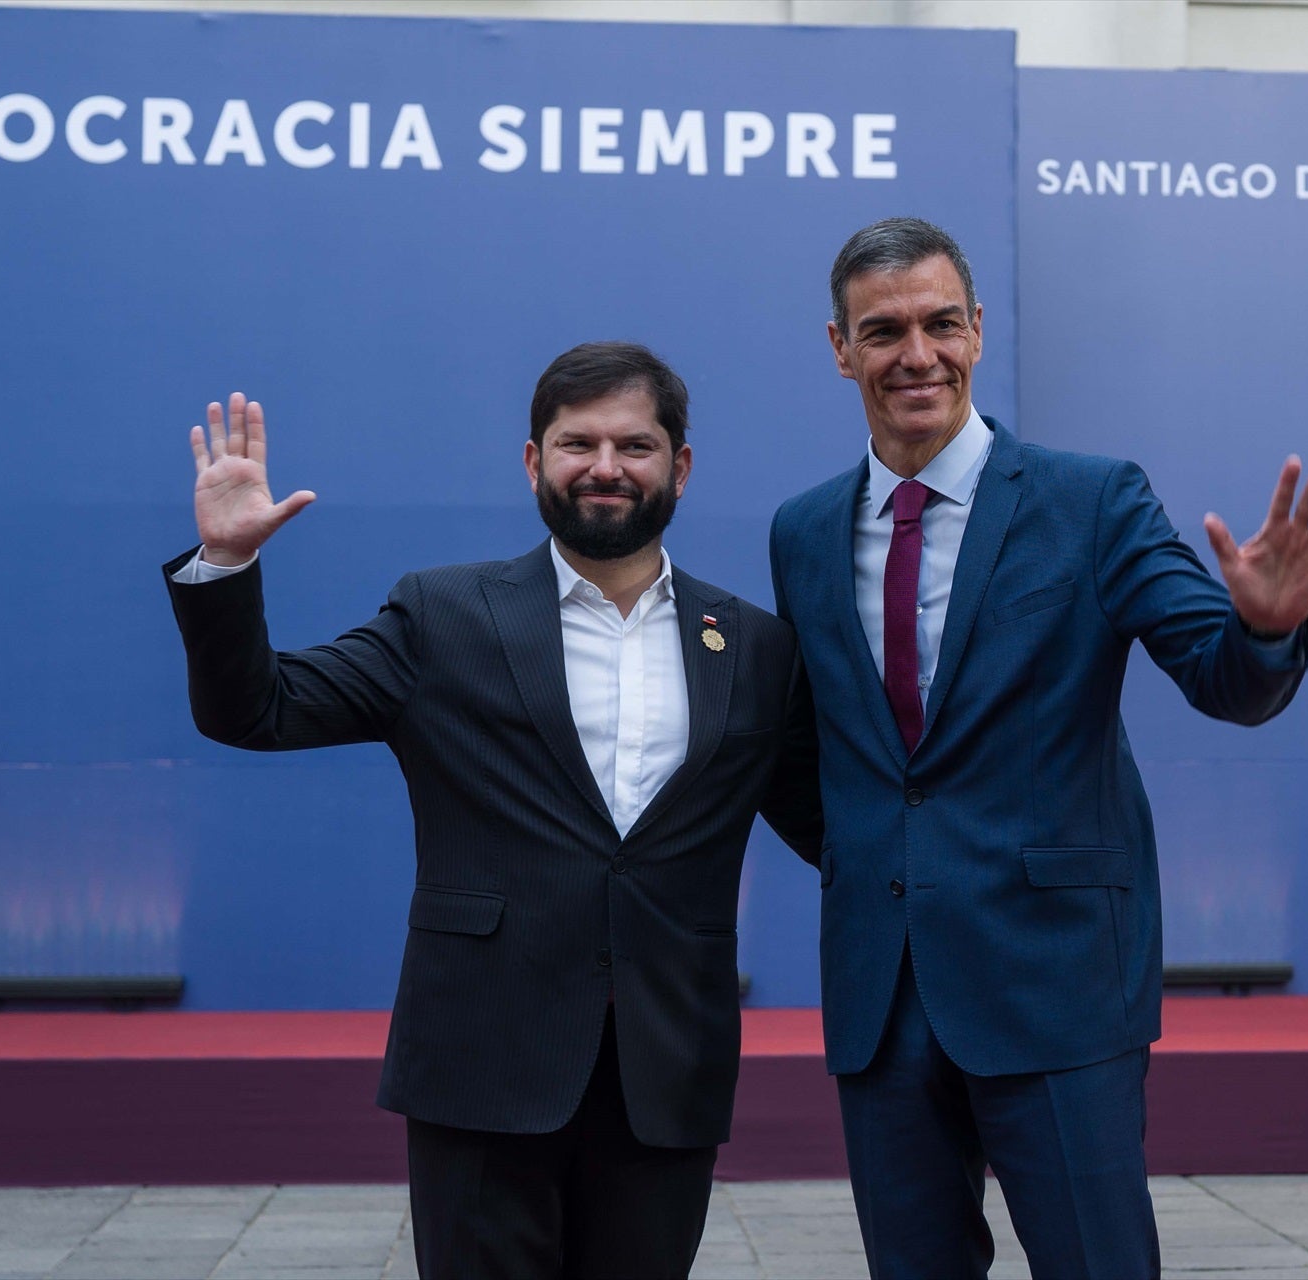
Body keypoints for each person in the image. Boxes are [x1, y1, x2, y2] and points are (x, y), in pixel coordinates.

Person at [769, 218, 1308, 1279]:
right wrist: (888, 864)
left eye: (941, 323)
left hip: (1057, 986)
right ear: (839, 347)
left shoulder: (1093, 500)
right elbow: (820, 751)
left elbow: (1220, 675)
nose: (918, 354)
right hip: (881, 995)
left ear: (979, 331)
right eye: (885, 329)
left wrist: (1264, 627)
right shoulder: (803, 530)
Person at [164, 342, 820, 1280]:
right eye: (576, 442)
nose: (604, 467)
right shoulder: (444, 616)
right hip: (480, 1067)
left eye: (635, 445)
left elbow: (832, 823)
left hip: (666, 1075)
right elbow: (256, 710)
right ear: (532, 461)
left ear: (680, 465)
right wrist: (226, 565)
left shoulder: (754, 647)